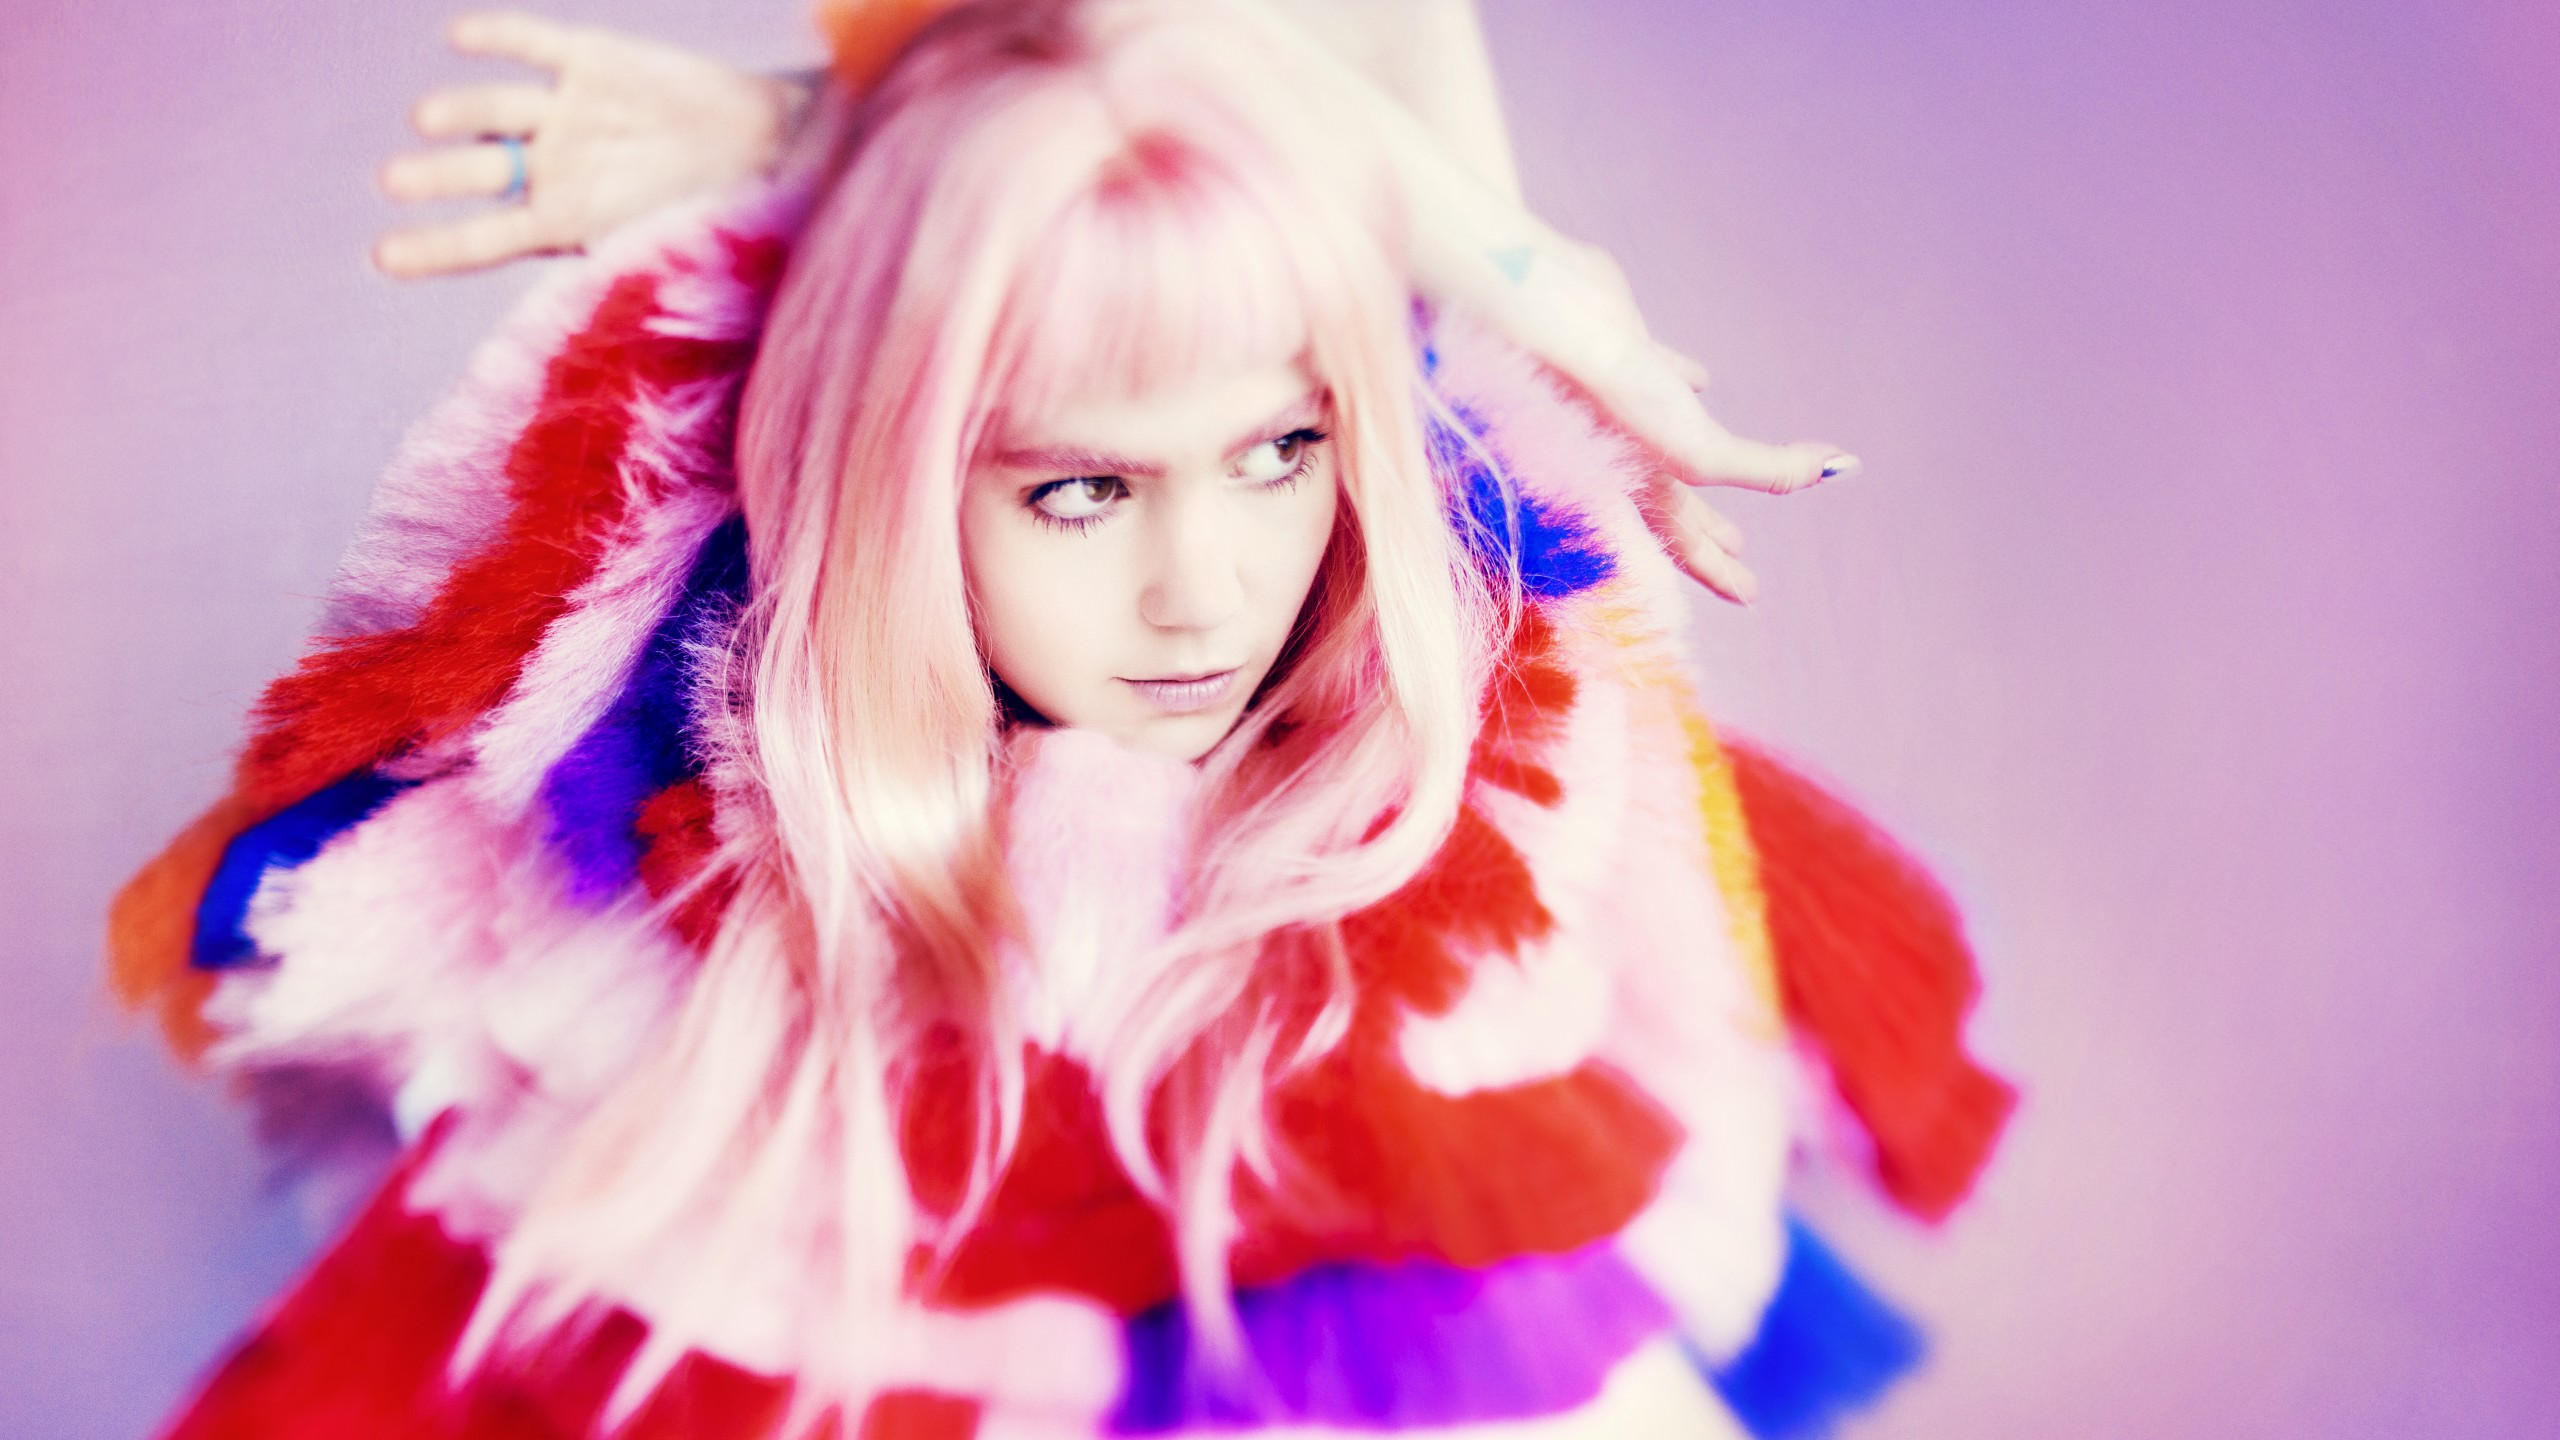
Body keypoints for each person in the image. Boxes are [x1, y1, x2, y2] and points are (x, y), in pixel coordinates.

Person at [111, 2, 2012, 1437]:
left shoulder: (1469, 818)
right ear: (893, 483)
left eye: (1280, 456)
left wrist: (1539, 291)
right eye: (1082, 493)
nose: (1205, 593)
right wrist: (838, 142)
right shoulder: (688, 870)